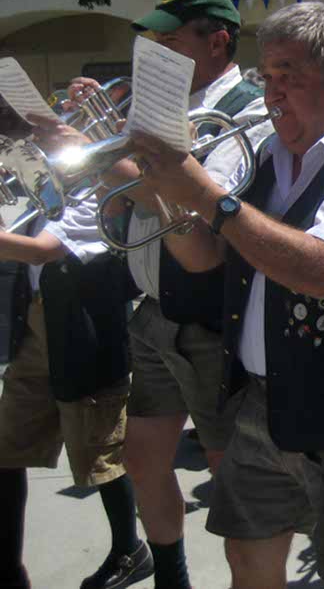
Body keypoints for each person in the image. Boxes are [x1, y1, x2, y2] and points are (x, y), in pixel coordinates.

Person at [129, 1, 324, 589]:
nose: (271, 93)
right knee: (246, 557)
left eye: (288, 75)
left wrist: (206, 193)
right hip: (262, 402)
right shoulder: (268, 155)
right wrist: (166, 193)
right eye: (266, 76)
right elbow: (201, 257)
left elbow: (321, 270)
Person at [66, 0, 272, 589]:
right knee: (141, 456)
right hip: (154, 310)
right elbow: (129, 197)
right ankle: (172, 579)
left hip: (210, 319)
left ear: (219, 42)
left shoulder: (244, 114)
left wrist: (115, 150)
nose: (158, 55)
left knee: (224, 472)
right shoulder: (162, 112)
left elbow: (200, 233)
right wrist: (89, 145)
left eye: (173, 40)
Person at [0, 196, 151, 589]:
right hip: (34, 322)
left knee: (98, 453)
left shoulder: (89, 184)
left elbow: (43, 251)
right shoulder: (32, 179)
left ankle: (130, 550)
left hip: (81, 330)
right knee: (6, 448)